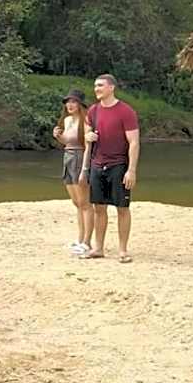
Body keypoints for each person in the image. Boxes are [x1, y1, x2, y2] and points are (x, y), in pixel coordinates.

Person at [81, 74, 140, 263]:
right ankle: (98, 248)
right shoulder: (93, 111)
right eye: (95, 86)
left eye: (100, 85)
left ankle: (123, 250)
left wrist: (131, 170)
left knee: (122, 208)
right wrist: (88, 136)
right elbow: (86, 133)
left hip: (118, 165)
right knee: (99, 208)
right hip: (97, 164)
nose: (96, 89)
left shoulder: (126, 111)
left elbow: (134, 142)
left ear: (111, 88)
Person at [52, 89, 93, 255]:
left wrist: (85, 169)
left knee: (85, 203)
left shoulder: (86, 121)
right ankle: (80, 238)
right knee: (77, 203)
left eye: (73, 101)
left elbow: (88, 146)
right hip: (68, 157)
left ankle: (87, 242)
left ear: (80, 104)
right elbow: (67, 142)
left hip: (79, 158)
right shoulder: (67, 120)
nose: (70, 105)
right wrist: (58, 137)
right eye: (68, 102)